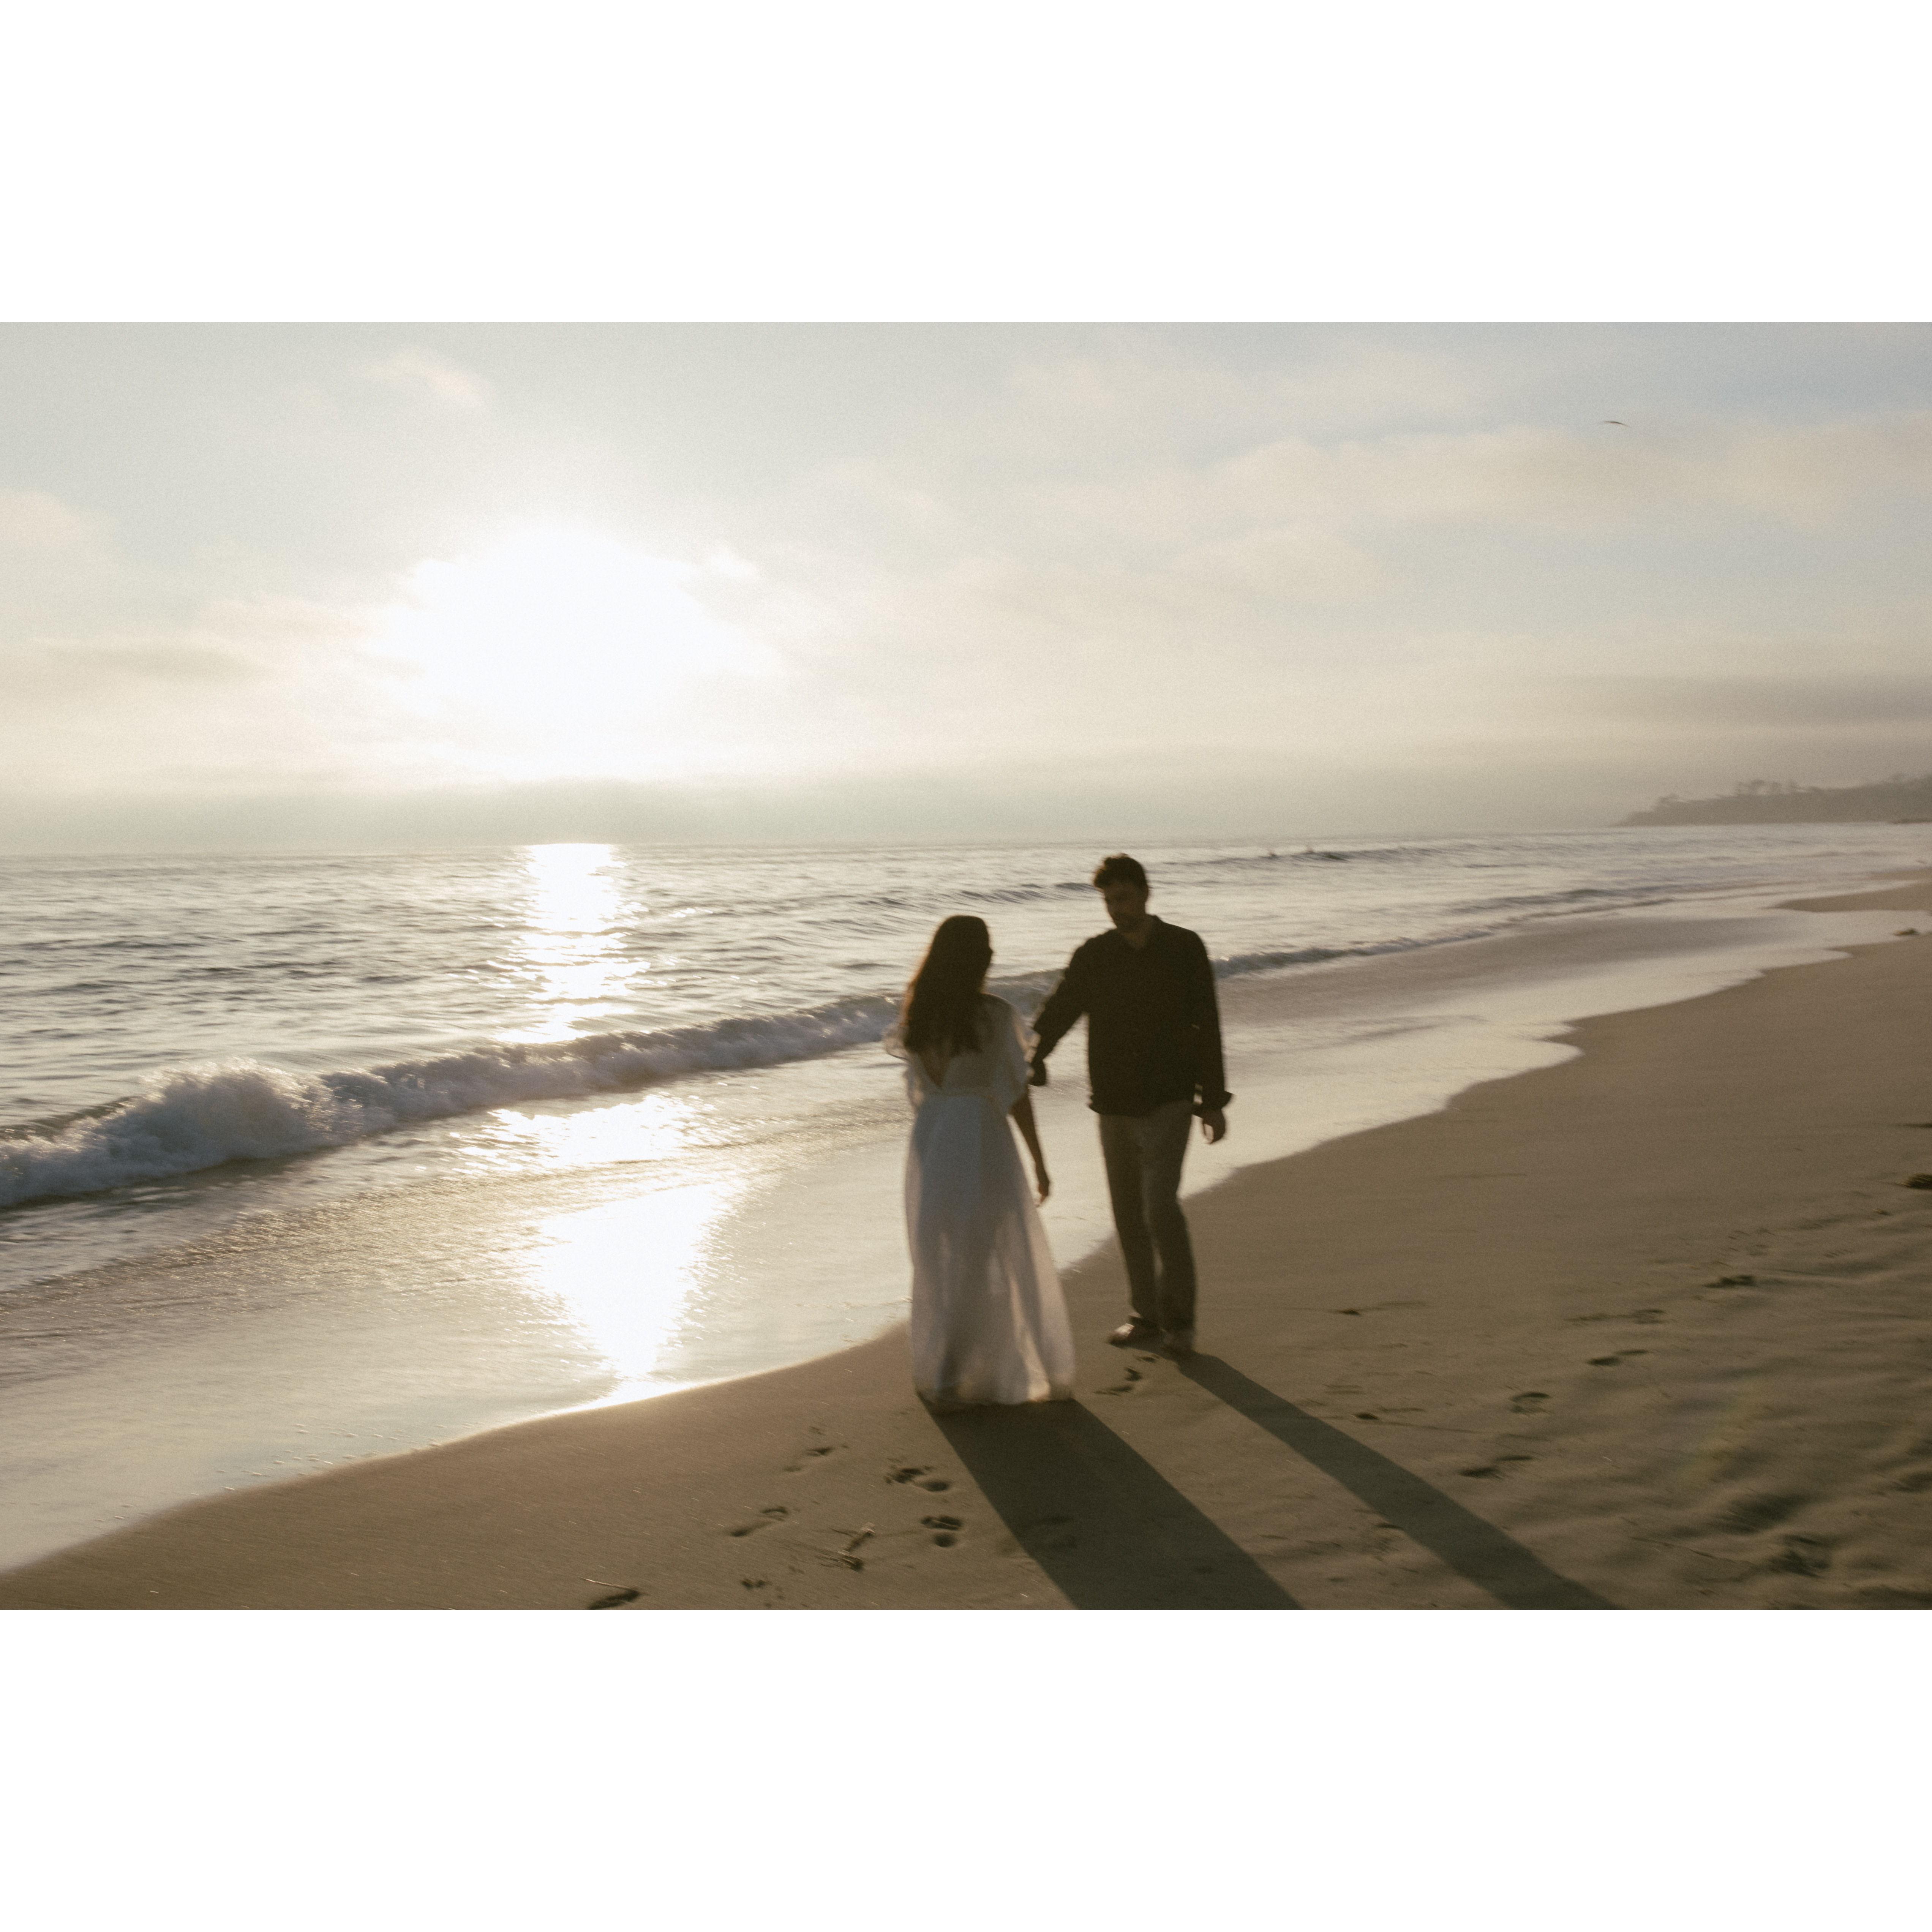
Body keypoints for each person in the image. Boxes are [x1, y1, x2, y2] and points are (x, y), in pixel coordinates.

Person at [1030, 854, 1231, 1357]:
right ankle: (1146, 1317)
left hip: (1170, 1097)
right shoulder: (1095, 955)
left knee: (1159, 1205)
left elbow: (1207, 1023)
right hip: (1114, 1101)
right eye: (1108, 901)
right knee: (1128, 1214)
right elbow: (1061, 1009)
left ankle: (1180, 1321)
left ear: (1145, 893)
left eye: (1123, 898)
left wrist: (1213, 1101)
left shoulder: (1184, 948)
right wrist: (1034, 1058)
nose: (1116, 909)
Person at [883, 914, 1074, 1409]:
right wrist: (1039, 1160)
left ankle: (948, 1368)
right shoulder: (994, 1016)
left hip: (932, 1139)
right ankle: (957, 1369)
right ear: (981, 958)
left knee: (941, 1254)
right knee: (988, 1253)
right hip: (980, 1141)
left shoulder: (917, 1017)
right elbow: (1016, 1095)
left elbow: (921, 1093)